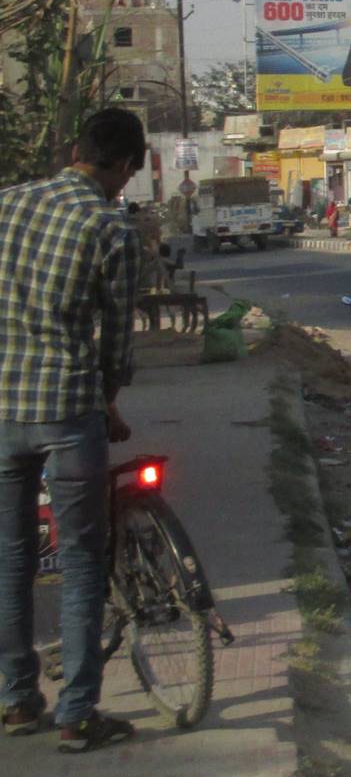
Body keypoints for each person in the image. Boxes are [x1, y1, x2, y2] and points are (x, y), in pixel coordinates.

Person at [0, 108, 144, 752]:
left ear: (74, 148)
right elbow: (115, 343)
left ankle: (16, 701)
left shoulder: (6, 204)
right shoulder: (109, 226)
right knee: (84, 560)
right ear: (124, 166)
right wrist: (109, 401)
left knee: (11, 560)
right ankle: (78, 713)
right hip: (67, 408)